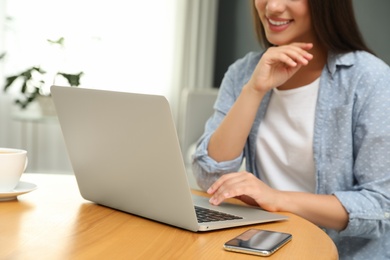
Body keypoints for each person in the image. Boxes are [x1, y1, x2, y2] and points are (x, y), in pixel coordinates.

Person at [191, 0, 390, 259]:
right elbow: (209, 177)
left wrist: (276, 198)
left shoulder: (370, 79)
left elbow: (381, 208)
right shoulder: (243, 73)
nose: (272, 7)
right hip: (265, 248)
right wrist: (253, 90)